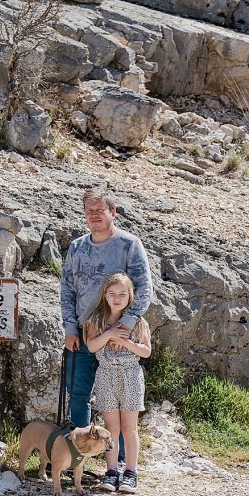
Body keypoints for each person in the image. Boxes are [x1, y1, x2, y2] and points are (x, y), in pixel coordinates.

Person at [60, 187, 153, 467]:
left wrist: (125, 324)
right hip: (85, 335)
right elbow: (67, 290)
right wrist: (70, 328)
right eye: (89, 211)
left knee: (123, 401)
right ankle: (77, 454)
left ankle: (121, 459)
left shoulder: (129, 244)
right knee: (78, 392)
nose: (94, 215)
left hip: (118, 337)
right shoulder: (77, 247)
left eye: (100, 210)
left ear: (113, 213)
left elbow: (144, 288)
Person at [83, 272, 152, 492]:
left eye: (122, 294)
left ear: (130, 296)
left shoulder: (138, 321)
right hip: (106, 376)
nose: (117, 298)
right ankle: (111, 472)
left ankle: (131, 472)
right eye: (112, 293)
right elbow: (92, 346)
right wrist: (110, 333)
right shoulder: (96, 320)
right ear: (105, 295)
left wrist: (126, 342)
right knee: (111, 427)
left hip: (131, 376)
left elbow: (146, 351)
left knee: (129, 428)